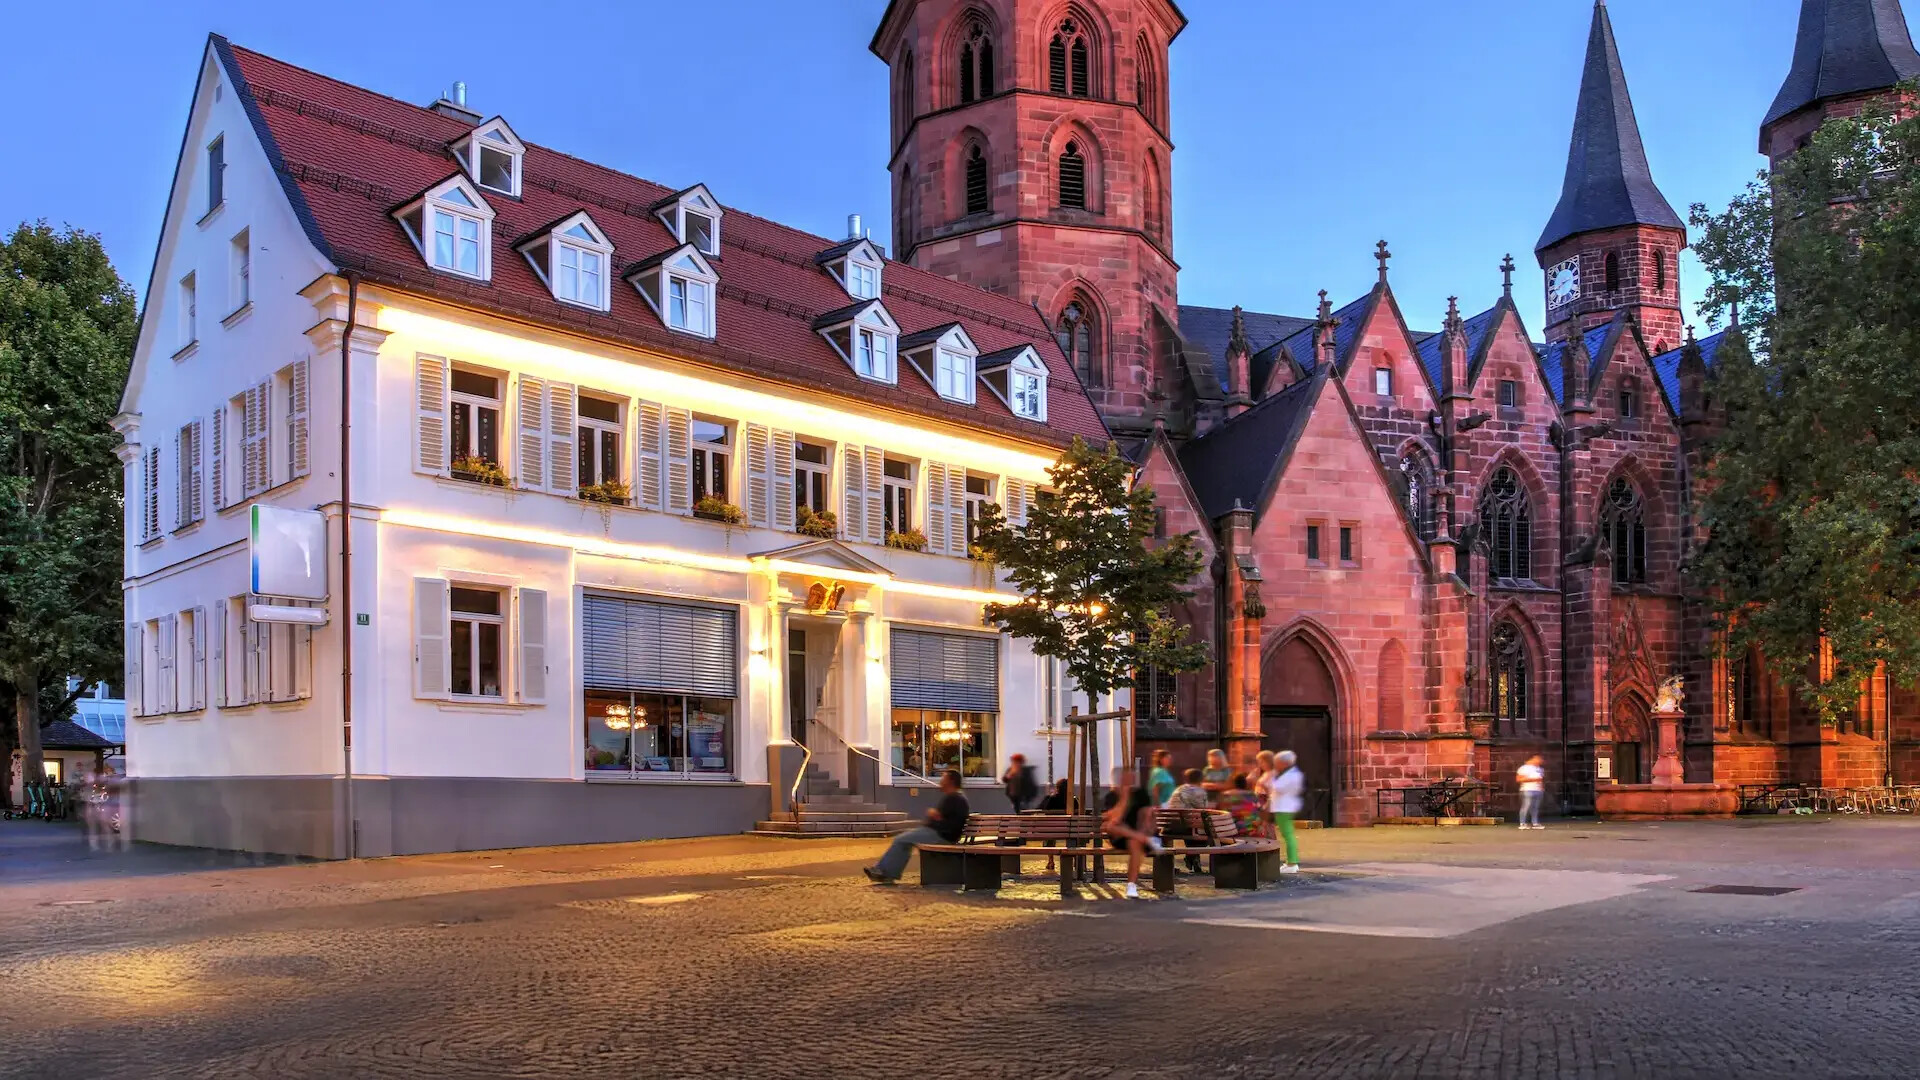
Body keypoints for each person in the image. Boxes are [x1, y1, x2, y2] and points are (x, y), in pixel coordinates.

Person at [865, 770, 969, 884]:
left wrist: (934, 815)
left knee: (901, 840)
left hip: (941, 835)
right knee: (904, 840)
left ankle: (884, 872)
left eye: (943, 778)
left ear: (951, 781)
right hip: (939, 833)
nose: (940, 781)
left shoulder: (954, 798)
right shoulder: (956, 797)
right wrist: (935, 816)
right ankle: (886, 872)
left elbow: (945, 821)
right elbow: (944, 818)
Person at [1100, 765, 1162, 898]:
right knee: (1111, 826)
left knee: (1134, 843)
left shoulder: (1142, 794)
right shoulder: (1112, 796)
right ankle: (1145, 840)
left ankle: (1131, 885)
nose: (1130, 780)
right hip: (1120, 836)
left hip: (1139, 834)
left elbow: (1147, 816)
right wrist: (1124, 799)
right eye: (1126, 777)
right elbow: (1114, 820)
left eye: (1132, 777)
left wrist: (1145, 831)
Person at [1166, 768, 1210, 874]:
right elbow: (1204, 809)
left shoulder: (1179, 789)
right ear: (1201, 779)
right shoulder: (1199, 791)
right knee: (1208, 832)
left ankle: (1193, 858)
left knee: (1193, 828)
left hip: (1170, 826)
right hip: (1185, 827)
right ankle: (1191, 856)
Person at [1268, 750, 1305, 873]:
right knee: (1287, 835)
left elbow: (1277, 787)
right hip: (1283, 807)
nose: (1275, 765)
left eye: (1277, 762)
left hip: (1284, 807)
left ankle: (1292, 863)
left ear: (1284, 763)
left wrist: (1272, 777)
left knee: (1288, 835)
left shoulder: (1291, 775)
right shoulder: (1289, 774)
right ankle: (1290, 862)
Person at [1037, 777, 1072, 872]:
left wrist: (1049, 796)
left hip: (1052, 829)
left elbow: (1041, 809)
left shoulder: (1052, 799)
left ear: (1058, 788)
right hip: (1070, 830)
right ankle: (1076, 862)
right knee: (1073, 838)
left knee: (1049, 834)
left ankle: (1051, 861)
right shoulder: (1073, 800)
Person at [1217, 772, 1265, 839]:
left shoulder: (1225, 795)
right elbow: (1261, 812)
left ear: (1233, 784)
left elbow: (1220, 813)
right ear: (1245, 784)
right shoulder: (1251, 795)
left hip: (1231, 829)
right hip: (1249, 829)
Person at [1516, 755, 1546, 830]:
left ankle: (1535, 823)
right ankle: (1522, 823)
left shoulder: (1540, 769)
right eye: (1538, 759)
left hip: (1538, 790)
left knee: (1535, 807)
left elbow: (1541, 779)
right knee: (1526, 806)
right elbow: (1519, 779)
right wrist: (1533, 780)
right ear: (1532, 759)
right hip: (1527, 790)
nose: (1539, 761)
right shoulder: (1524, 768)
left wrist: (1541, 788)